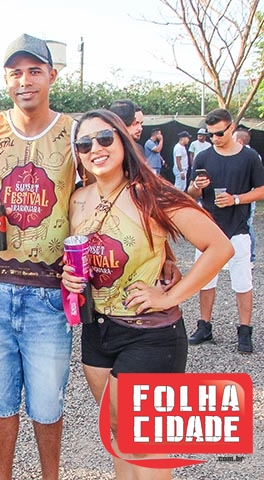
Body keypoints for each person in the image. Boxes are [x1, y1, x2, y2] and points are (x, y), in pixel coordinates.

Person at [62, 109, 233, 480]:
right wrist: (70, 277)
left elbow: (219, 247)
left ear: (123, 140)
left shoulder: (152, 193)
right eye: (85, 143)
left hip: (151, 335)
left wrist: (170, 297)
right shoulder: (78, 199)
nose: (95, 148)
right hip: (97, 330)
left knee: (146, 443)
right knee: (119, 434)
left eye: (104, 138)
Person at [0, 33, 77, 480]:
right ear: (6, 80)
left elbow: (102, 194)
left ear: (52, 76)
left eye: (34, 71)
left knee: (47, 407)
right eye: (15, 73)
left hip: (50, 293)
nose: (24, 81)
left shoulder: (75, 133)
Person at [187, 109, 264, 353]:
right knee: (205, 280)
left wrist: (236, 199)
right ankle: (204, 325)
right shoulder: (203, 157)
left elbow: (261, 189)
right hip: (208, 230)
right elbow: (190, 194)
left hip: (238, 230)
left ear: (231, 128)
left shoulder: (249, 157)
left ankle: (245, 330)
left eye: (219, 133)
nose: (215, 138)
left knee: (243, 281)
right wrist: (197, 186)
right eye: (210, 134)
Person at [233, 128, 262, 267]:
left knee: (247, 226)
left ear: (239, 141)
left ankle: (250, 257)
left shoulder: (251, 156)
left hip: (247, 197)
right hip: (239, 197)